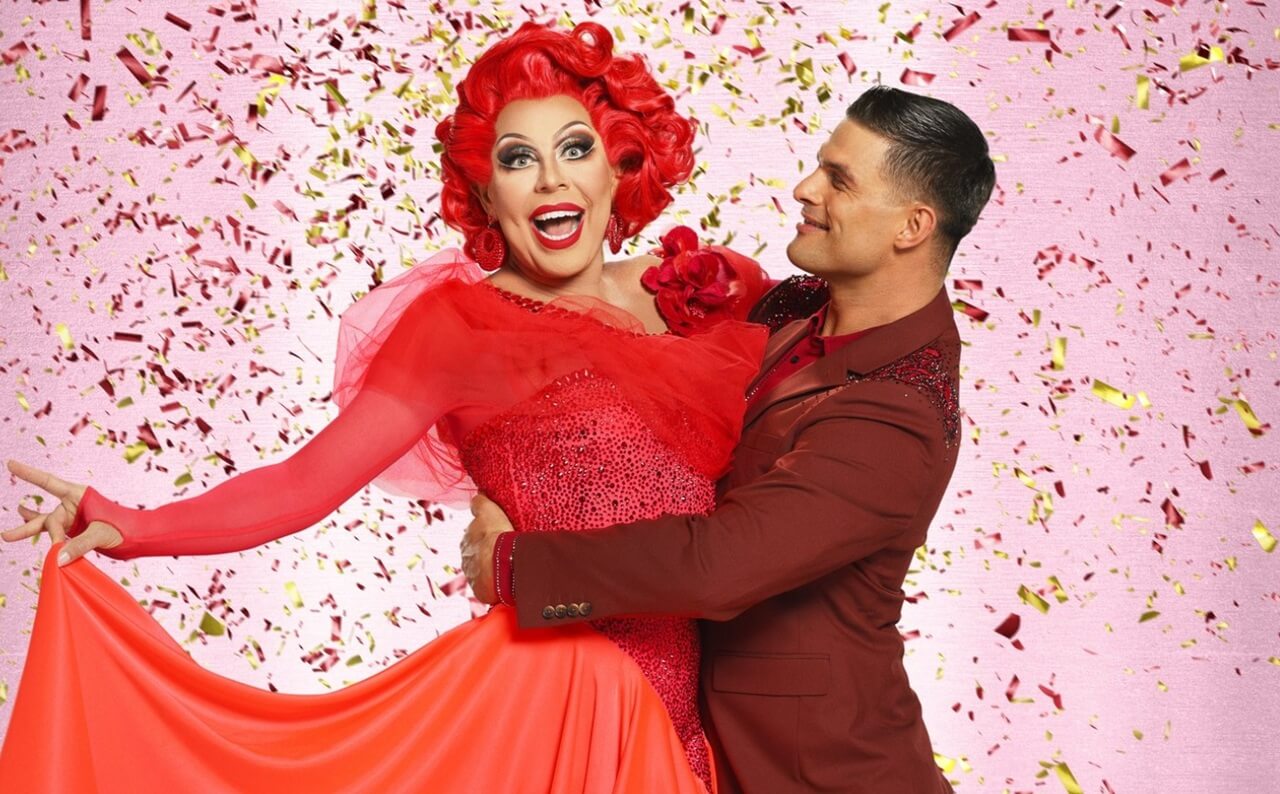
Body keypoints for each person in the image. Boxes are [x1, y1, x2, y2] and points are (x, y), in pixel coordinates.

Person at [0, 22, 772, 792]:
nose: (549, 180)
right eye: (516, 160)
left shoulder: (704, 290)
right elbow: (303, 484)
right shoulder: (457, 330)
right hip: (552, 700)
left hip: (689, 718)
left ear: (620, 164)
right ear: (484, 193)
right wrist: (132, 525)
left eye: (575, 148)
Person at [461, 86, 997, 793]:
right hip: (696, 746)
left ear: (911, 226)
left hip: (825, 774)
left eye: (839, 180)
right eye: (818, 164)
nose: (804, 189)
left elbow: (719, 565)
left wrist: (515, 568)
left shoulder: (897, 416)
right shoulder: (794, 305)